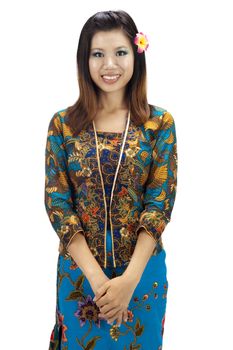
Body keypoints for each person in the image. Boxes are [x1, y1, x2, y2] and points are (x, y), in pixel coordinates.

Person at [44, 9, 178, 350]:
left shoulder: (158, 124)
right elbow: (58, 204)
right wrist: (99, 280)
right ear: (84, 60)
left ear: (136, 54)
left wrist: (128, 282)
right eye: (98, 54)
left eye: (120, 52)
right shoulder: (64, 125)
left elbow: (159, 204)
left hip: (141, 276)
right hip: (80, 276)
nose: (110, 65)